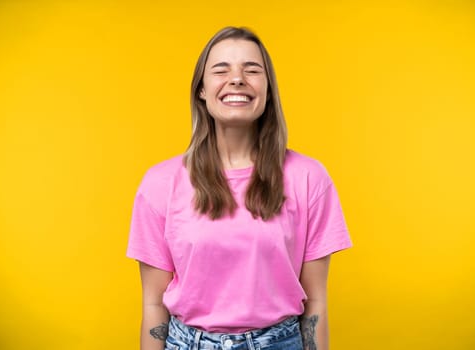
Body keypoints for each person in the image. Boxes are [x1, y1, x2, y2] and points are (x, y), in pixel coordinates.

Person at [127, 26, 352, 350]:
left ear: (268, 89)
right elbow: (153, 304)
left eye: (252, 70)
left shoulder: (308, 178)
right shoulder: (160, 184)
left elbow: (316, 301)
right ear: (201, 90)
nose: (236, 79)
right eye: (221, 69)